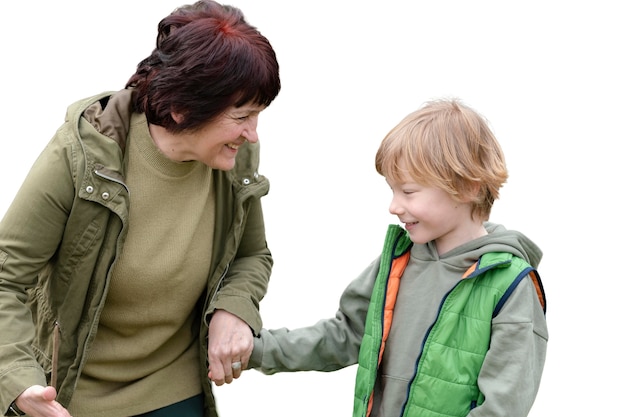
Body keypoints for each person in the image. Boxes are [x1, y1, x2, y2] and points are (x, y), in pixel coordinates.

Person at [0, 1, 280, 416]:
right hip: (72, 399)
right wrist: (18, 381)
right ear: (182, 109)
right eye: (242, 116)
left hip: (177, 391)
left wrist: (234, 309)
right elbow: (7, 276)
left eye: (258, 115)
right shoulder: (79, 157)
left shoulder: (232, 162)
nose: (253, 135)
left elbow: (251, 255)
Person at [249, 98, 548, 417]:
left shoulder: (511, 286)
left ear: (467, 188)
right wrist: (255, 349)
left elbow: (503, 408)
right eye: (392, 190)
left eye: (408, 192)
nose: (393, 206)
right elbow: (346, 335)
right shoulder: (398, 261)